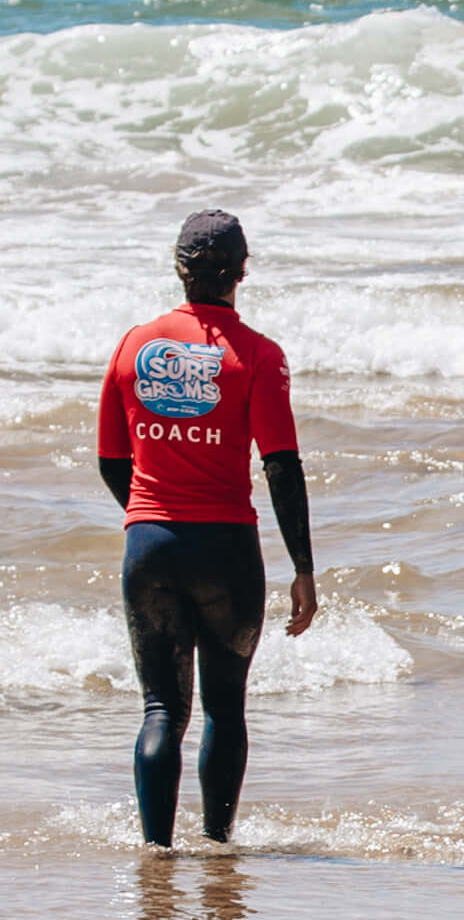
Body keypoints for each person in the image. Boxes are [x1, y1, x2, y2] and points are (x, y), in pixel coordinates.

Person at [96, 207, 318, 847]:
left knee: (161, 710)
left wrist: (151, 518)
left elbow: (111, 459)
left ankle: (156, 853)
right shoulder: (258, 355)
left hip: (149, 546)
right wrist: (303, 568)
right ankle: (217, 846)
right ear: (241, 271)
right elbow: (281, 466)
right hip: (226, 550)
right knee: (224, 707)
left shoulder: (134, 346)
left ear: (179, 268)